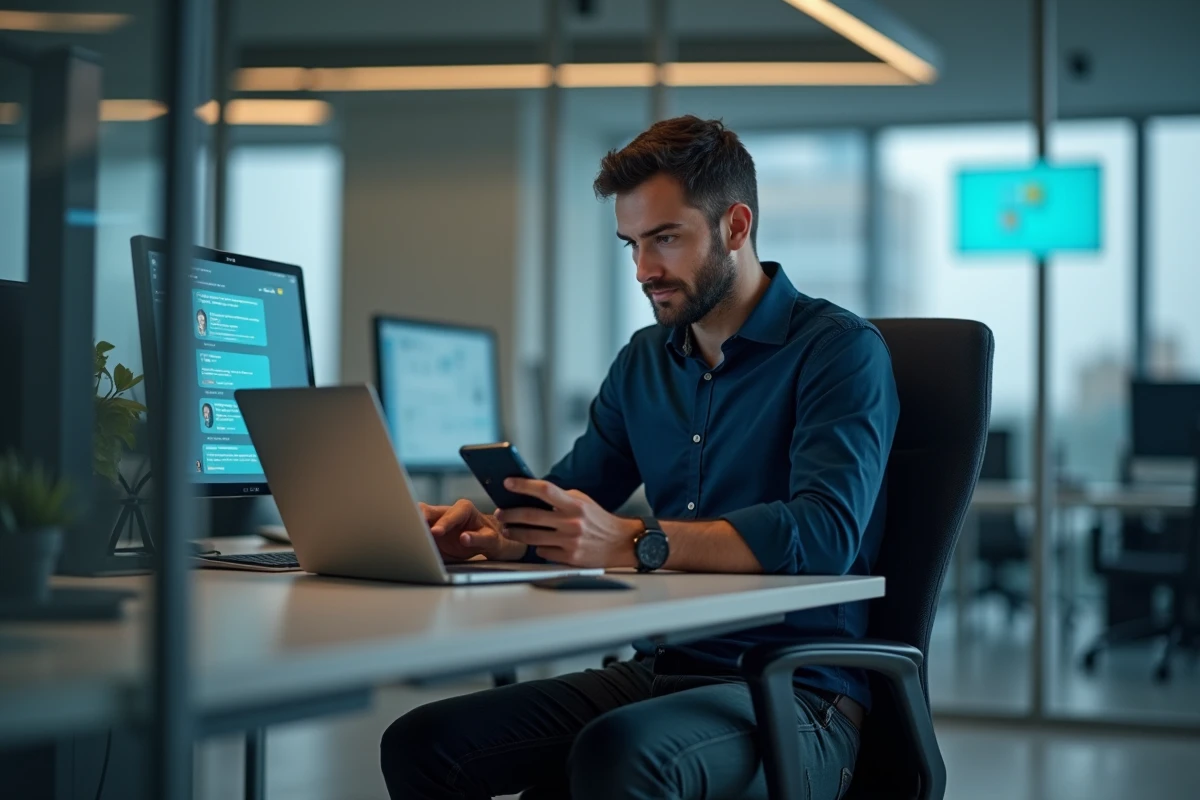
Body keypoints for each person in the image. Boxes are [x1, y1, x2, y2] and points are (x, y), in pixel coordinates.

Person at [380, 116, 899, 800]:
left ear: (735, 226)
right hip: (662, 669)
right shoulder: (643, 363)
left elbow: (825, 533)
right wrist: (495, 535)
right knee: (423, 743)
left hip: (796, 691)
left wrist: (634, 541)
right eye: (632, 244)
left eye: (666, 239)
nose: (644, 270)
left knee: (621, 755)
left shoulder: (839, 351)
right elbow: (572, 499)